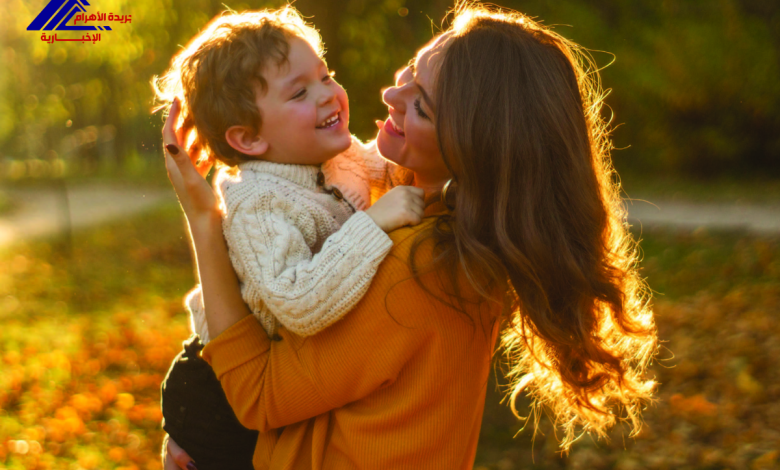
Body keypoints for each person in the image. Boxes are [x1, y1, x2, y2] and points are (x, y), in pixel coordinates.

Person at [161, 3, 658, 469]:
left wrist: (205, 220)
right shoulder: (454, 221)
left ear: (468, 147)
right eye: (409, 74)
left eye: (420, 105)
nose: (389, 96)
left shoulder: (415, 270)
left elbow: (260, 394)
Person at [153, 7, 426, 467]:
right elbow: (298, 301)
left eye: (326, 75)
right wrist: (372, 224)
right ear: (250, 139)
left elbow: (410, 177)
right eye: (300, 91)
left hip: (266, 378)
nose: (328, 95)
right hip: (216, 399)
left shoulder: (338, 158)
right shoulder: (258, 204)